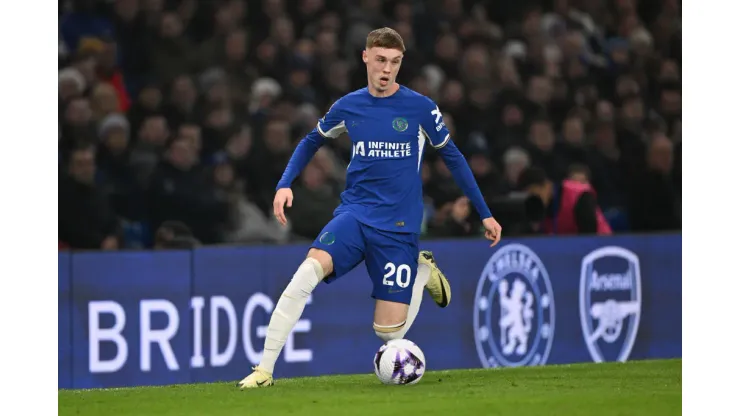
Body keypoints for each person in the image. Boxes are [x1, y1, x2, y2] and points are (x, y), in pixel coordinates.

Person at [238, 27, 502, 389]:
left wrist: (484, 212)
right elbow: (311, 140)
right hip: (356, 214)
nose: (386, 69)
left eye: (394, 62)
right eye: (380, 60)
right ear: (365, 57)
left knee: (387, 333)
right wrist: (285, 183)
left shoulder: (421, 108)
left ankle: (421, 272)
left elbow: (453, 157)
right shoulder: (348, 106)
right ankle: (264, 370)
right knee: (305, 275)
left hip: (398, 225)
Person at [519, 166, 612, 235]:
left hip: (599, 242)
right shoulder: (537, 206)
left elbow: (589, 232)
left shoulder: (578, 194)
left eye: (535, 192)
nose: (534, 197)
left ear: (547, 185)